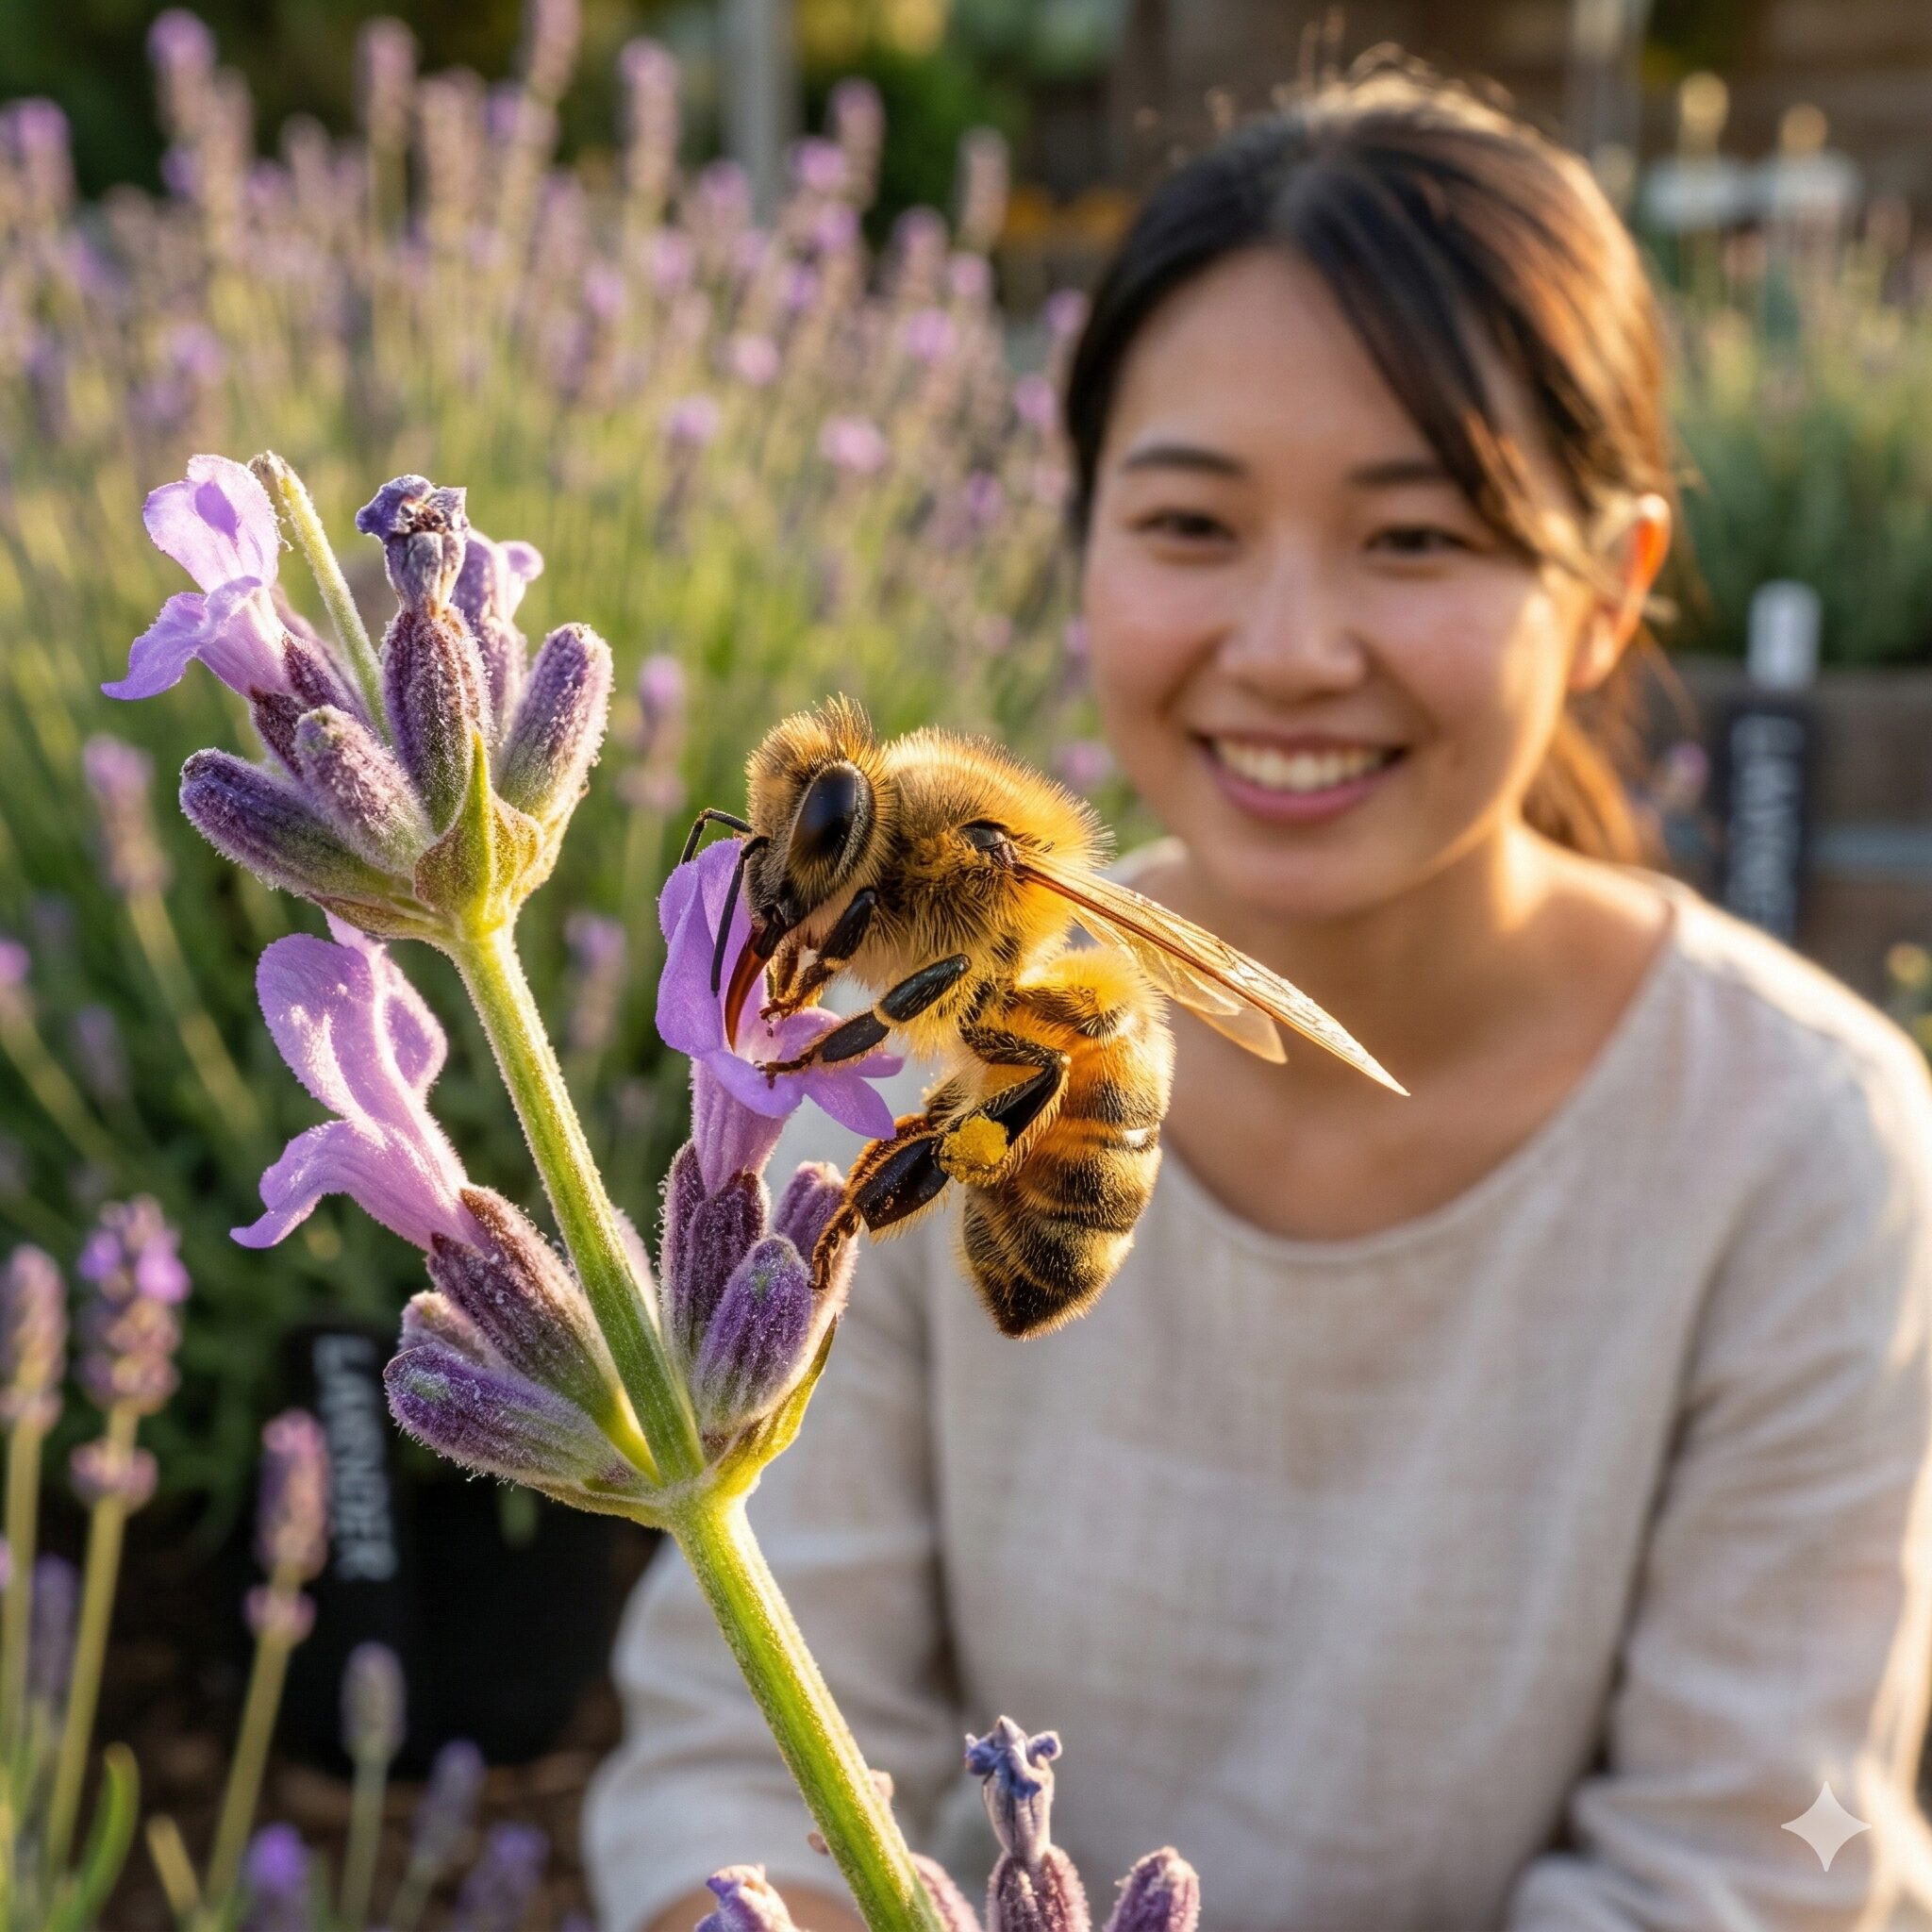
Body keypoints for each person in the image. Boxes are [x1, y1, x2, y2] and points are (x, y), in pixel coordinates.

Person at [585, 57, 1932, 1932]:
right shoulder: (888, 1065)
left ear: (1611, 588)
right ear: (1080, 542)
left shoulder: (1805, 1149)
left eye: (1417, 536)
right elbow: (732, 1768)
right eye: (1191, 525)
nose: (1290, 649)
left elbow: (1759, 1863)